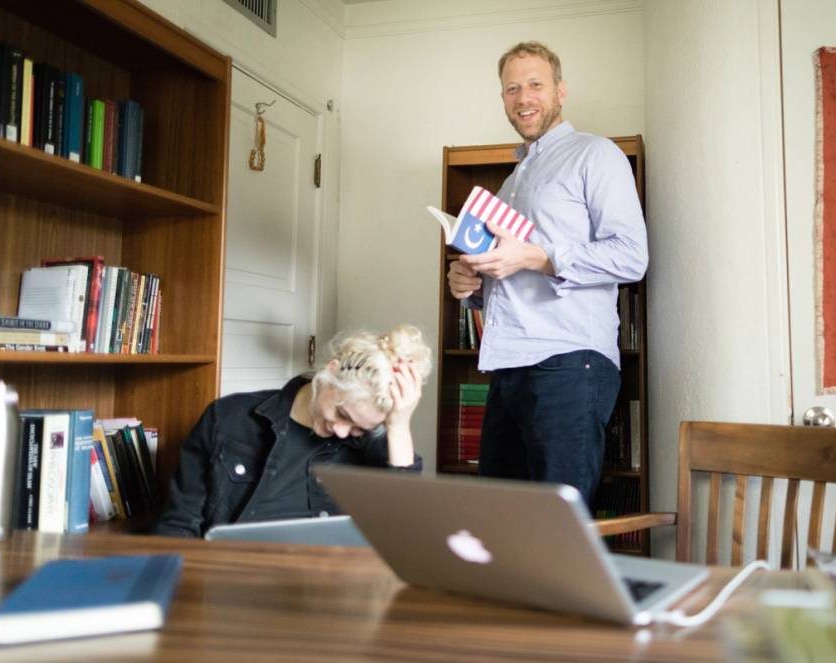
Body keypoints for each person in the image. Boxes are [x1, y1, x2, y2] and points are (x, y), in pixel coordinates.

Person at [446, 41, 648, 506]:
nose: (523, 97)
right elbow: (512, 271)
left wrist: (536, 256)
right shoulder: (513, 182)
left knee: (560, 526)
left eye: (535, 84)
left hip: (569, 363)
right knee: (503, 521)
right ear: (502, 99)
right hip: (508, 365)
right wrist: (472, 286)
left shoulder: (595, 155)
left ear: (560, 91)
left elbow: (631, 257)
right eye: (512, 88)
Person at [153, 324, 432, 537]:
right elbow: (179, 522)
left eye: (360, 429)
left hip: (327, 593)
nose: (343, 432)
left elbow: (404, 530)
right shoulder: (228, 419)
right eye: (342, 414)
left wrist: (398, 426)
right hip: (232, 579)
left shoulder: (374, 448)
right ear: (330, 372)